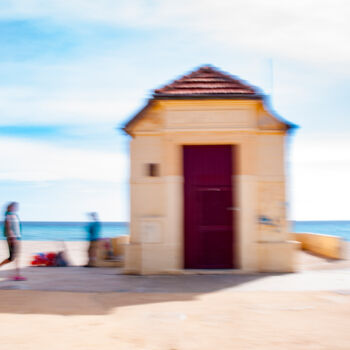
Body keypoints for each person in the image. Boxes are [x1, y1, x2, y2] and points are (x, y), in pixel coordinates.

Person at [0, 202, 26, 280]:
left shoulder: (14, 215)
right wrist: (12, 238)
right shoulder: (8, 216)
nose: (15, 207)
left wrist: (17, 237)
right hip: (12, 238)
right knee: (12, 258)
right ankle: (17, 274)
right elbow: (8, 228)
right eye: (14, 206)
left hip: (17, 237)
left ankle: (17, 274)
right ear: (10, 207)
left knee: (15, 257)